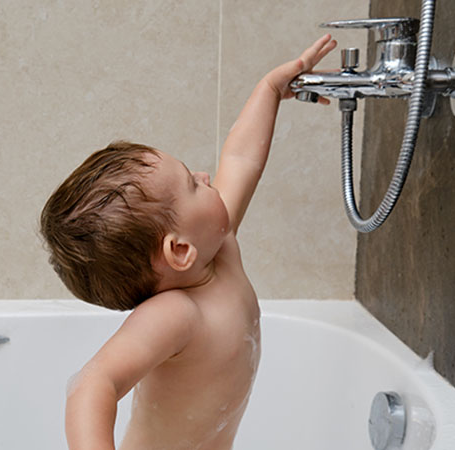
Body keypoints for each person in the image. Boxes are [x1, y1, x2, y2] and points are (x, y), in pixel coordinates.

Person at [40, 35, 337, 450]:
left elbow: (240, 159)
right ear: (179, 251)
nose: (203, 175)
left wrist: (269, 90)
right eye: (190, 185)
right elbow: (92, 385)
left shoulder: (218, 248)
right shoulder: (175, 315)